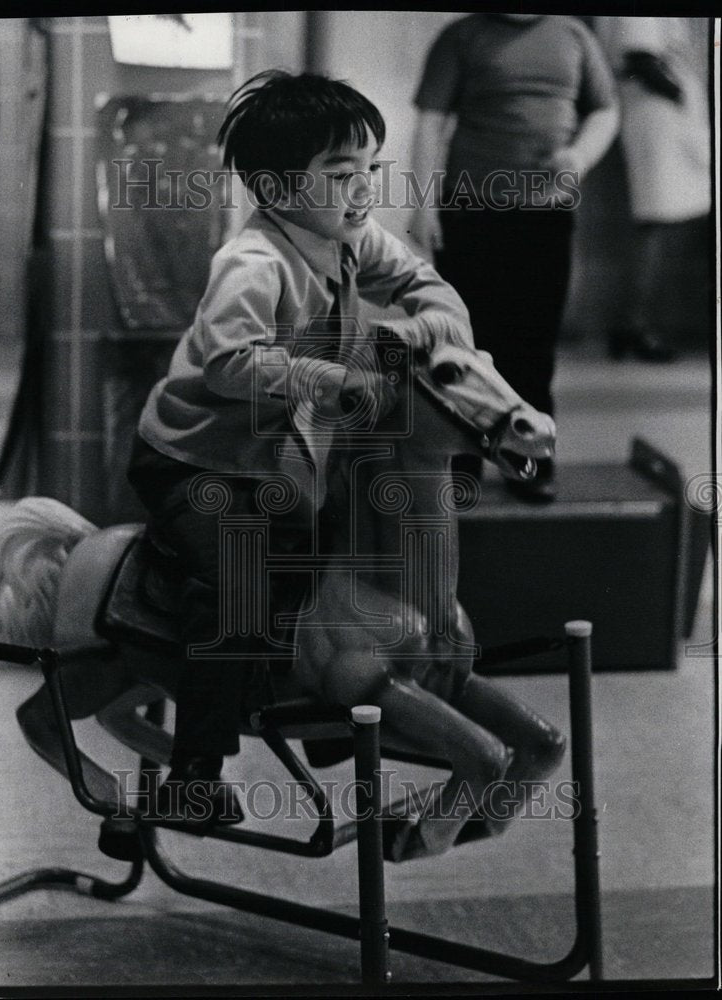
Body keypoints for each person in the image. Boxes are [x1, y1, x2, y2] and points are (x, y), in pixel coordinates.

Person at [126, 70, 486, 831]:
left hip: (288, 463)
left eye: (369, 170)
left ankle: (332, 717)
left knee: (356, 568)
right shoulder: (252, 263)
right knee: (239, 587)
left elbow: (427, 282)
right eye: (338, 173)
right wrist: (329, 378)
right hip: (203, 461)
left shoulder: (352, 237)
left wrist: (429, 323)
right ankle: (193, 774)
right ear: (274, 186)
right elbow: (229, 362)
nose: (361, 190)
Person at [410, 13, 619, 501]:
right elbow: (429, 123)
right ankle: (459, 464)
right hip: (471, 213)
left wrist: (580, 156)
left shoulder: (574, 36)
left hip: (544, 216)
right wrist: (422, 207)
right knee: (462, 345)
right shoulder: (461, 37)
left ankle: (530, 458)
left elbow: (605, 111)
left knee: (533, 343)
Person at [595, 16, 711, 361]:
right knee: (655, 222)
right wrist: (679, 95)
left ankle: (633, 326)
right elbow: (640, 60)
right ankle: (633, 327)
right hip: (658, 119)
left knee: (664, 222)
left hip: (666, 118)